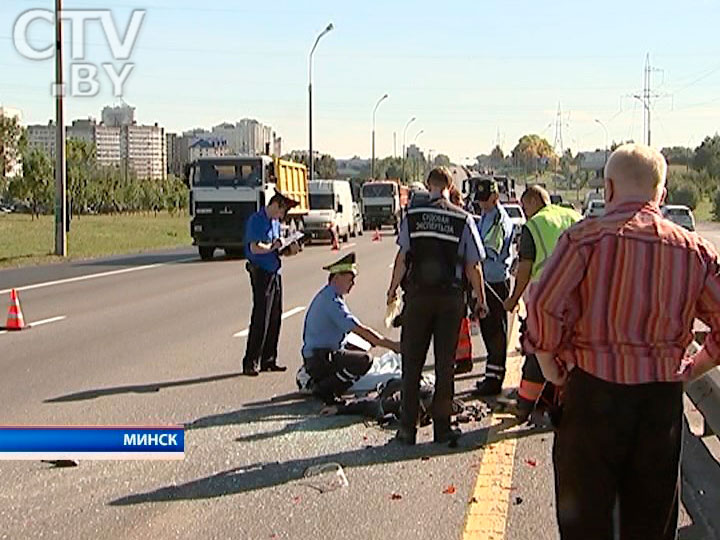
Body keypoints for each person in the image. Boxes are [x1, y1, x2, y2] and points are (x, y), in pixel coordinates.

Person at [525, 144, 720, 539]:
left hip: (592, 396)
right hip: (659, 403)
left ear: (608, 188)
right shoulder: (694, 250)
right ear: (661, 194)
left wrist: (549, 364)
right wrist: (693, 368)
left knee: (585, 518)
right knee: (651, 519)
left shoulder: (583, 239)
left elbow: (543, 305)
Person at [387, 166, 488, 445]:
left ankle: (407, 429)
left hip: (417, 298)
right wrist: (481, 299)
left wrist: (392, 289)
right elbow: (473, 266)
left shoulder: (412, 216)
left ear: (429, 185)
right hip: (450, 300)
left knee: (412, 364)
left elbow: (402, 258)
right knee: (445, 366)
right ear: (449, 186)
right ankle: (442, 429)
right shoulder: (463, 218)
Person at [503, 185, 581, 419]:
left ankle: (524, 406)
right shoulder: (574, 216)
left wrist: (513, 299)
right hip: (579, 296)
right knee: (573, 351)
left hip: (548, 299)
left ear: (534, 201)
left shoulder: (534, 225)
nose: (524, 212)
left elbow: (525, 268)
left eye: (524, 206)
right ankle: (565, 400)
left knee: (538, 349)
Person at [301, 252, 400, 405]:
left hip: (320, 354)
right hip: (319, 359)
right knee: (364, 360)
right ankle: (326, 389)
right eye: (350, 279)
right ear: (337, 277)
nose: (353, 283)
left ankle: (324, 380)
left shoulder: (329, 295)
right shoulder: (332, 302)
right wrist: (393, 346)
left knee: (357, 348)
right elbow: (361, 330)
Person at [241, 190, 301, 376]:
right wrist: (273, 247)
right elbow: (255, 247)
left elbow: (276, 247)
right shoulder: (257, 220)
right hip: (261, 272)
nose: (282, 216)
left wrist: (289, 249)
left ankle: (269, 359)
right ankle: (251, 361)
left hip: (275, 271)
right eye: (282, 212)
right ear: (276, 205)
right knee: (261, 316)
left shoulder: (274, 223)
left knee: (275, 316)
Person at [471, 178, 515, 394]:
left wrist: (468, 255)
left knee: (495, 332)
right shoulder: (486, 216)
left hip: (494, 282)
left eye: (485, 200)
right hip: (485, 280)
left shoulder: (498, 219)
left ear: (495, 197)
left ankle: (495, 379)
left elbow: (489, 252)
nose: (482, 204)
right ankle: (490, 375)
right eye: (479, 201)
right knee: (488, 331)